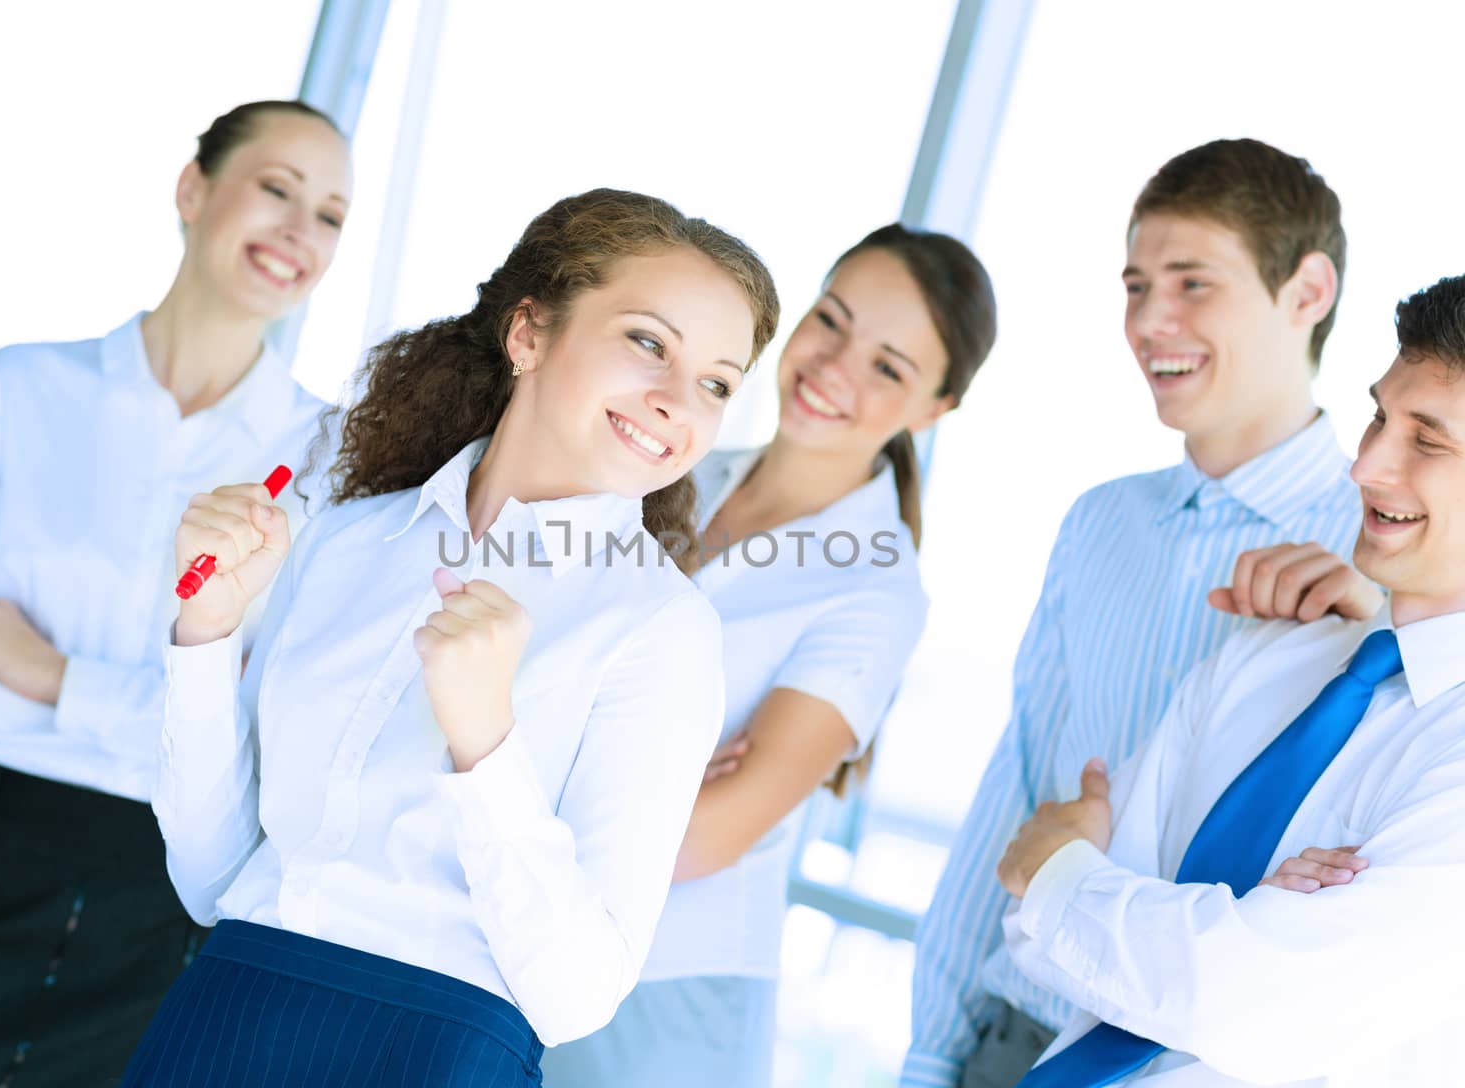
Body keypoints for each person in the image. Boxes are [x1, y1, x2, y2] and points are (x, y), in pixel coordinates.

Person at [121, 188, 781, 1087]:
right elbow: (211, 877)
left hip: (434, 1057)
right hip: (224, 1013)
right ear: (529, 336)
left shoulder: (661, 628)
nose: (677, 401)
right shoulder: (351, 540)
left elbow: (578, 995)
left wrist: (487, 745)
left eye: (715, 383)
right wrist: (206, 633)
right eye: (647, 343)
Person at [0, 99, 350, 1086]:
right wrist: (172, 729)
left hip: (167, 901)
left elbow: (265, 750)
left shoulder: (326, 461)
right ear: (193, 189)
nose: (300, 232)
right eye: (277, 188)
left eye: (331, 216)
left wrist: (51, 676)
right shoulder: (19, 390)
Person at [902, 138, 1380, 1088]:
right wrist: (929, 1056)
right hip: (1015, 1034)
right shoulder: (1100, 524)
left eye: (1192, 282)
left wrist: (1377, 622)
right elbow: (1019, 780)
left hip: (1199, 1062)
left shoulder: (1385, 556)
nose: (1150, 320)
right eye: (1134, 284)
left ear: (1307, 292)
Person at [543, 225, 997, 1086]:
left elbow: (708, 837)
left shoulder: (877, 589)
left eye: (889, 368)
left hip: (667, 993)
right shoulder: (672, 469)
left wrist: (532, 766)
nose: (834, 368)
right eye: (833, 320)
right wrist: (641, 781)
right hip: (533, 931)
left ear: (934, 409)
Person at [994, 273, 1465, 1087]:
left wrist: (1064, 877)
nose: (1365, 465)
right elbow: (1029, 930)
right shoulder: (1272, 656)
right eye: (1379, 417)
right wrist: (1227, 929)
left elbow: (1265, 998)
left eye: (1427, 440)